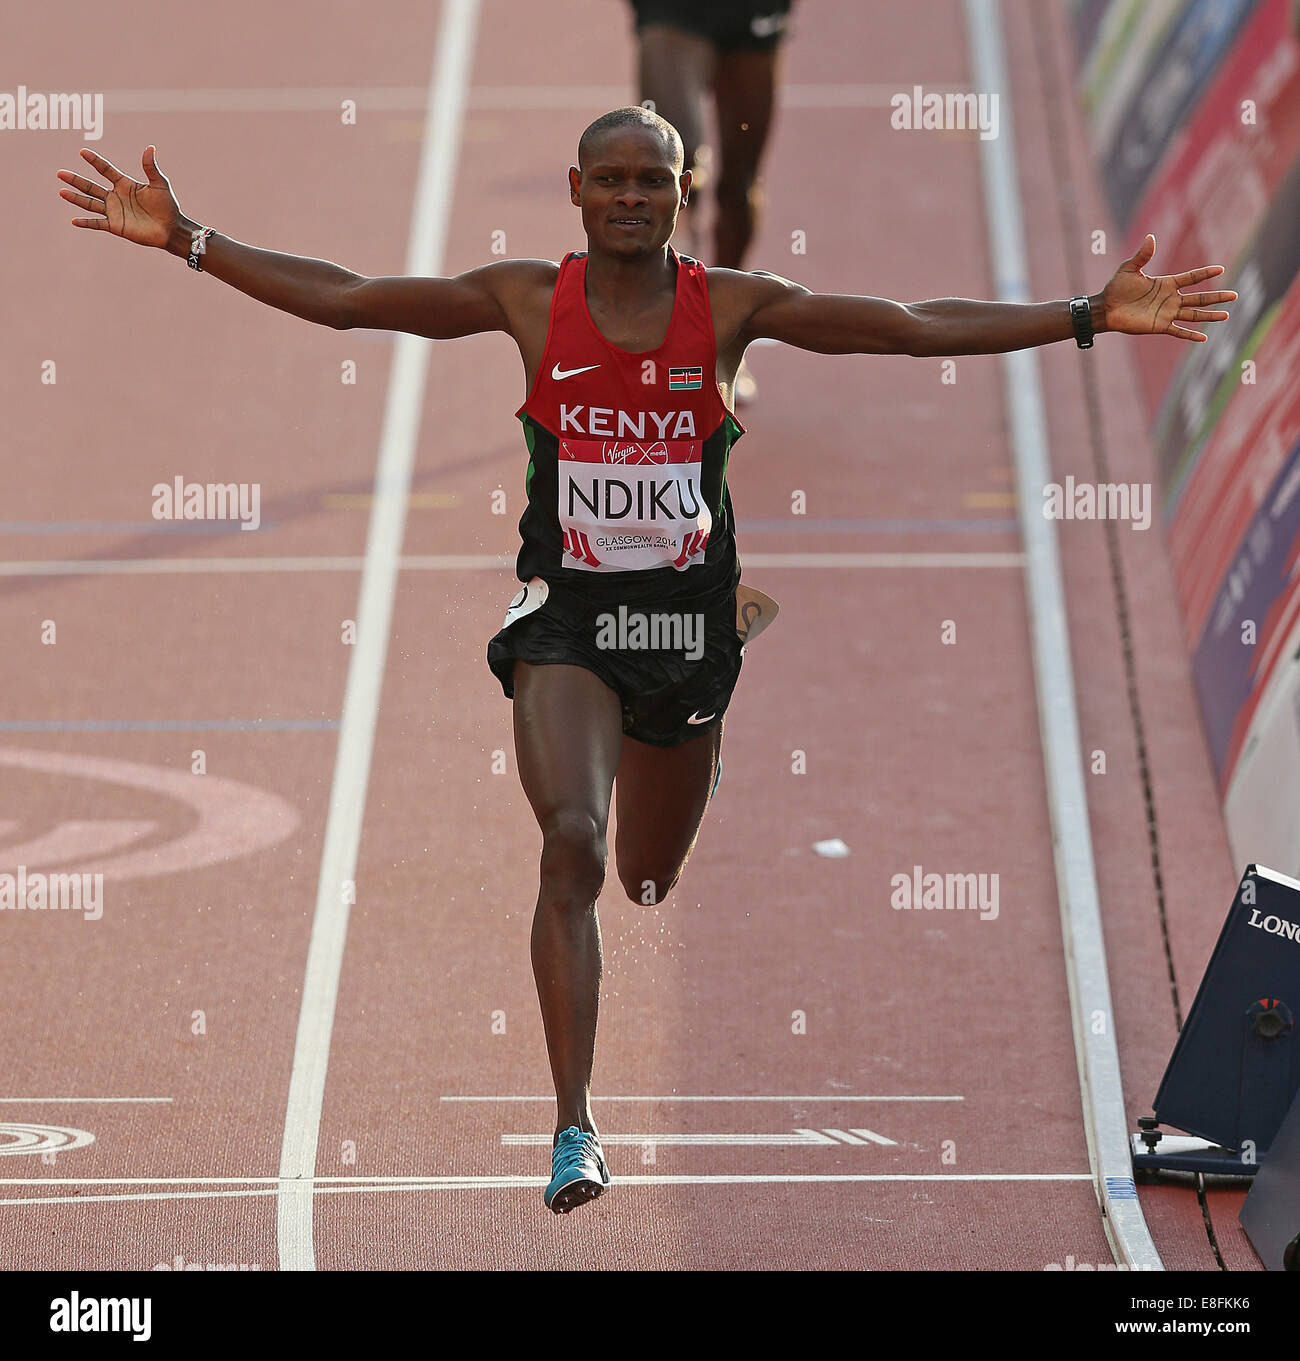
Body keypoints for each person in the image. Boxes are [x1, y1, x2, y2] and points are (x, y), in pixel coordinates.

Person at [57, 104, 1234, 1215]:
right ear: (574, 191)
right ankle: (574, 1121)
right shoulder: (526, 299)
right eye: (609, 179)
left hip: (681, 632)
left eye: (652, 181)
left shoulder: (726, 306)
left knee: (645, 876)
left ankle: (703, 719)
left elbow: (907, 325)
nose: (630, 196)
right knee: (569, 841)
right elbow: (355, 301)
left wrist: (1088, 313)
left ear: (683, 194)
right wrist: (187, 240)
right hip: (566, 623)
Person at [628, 0, 794, 400]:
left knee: (739, 185)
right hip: (673, 11)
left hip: (751, 12)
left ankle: (725, 327)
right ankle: (670, 327)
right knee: (674, 170)